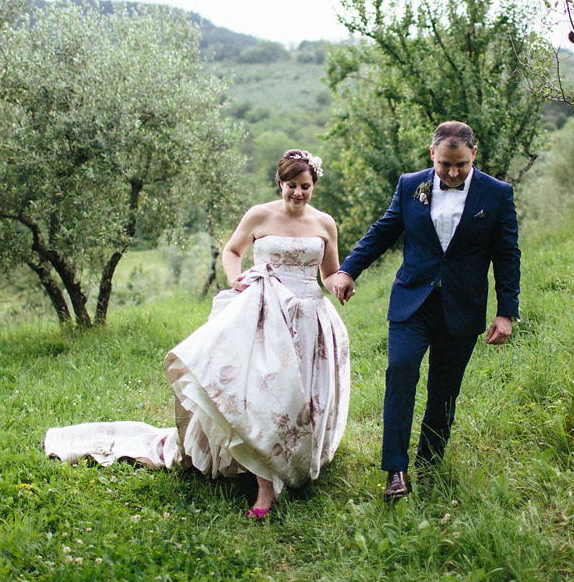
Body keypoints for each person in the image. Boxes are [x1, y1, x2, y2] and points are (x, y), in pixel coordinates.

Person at [44, 150, 350, 519]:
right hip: (265, 312)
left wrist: (339, 286)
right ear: (279, 183)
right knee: (259, 394)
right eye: (291, 186)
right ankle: (264, 488)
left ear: (314, 185)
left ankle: (296, 459)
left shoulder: (325, 224)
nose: (298, 194)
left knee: (300, 393)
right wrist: (235, 276)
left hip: (308, 320)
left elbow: (330, 272)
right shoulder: (260, 215)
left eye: (305, 187)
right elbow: (233, 249)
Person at [327, 121, 519, 502]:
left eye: (460, 164)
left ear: (473, 155)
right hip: (412, 302)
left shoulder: (497, 194)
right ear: (433, 154)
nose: (451, 172)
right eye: (445, 163)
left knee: (444, 390)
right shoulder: (410, 185)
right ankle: (395, 471)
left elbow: (507, 253)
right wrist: (348, 269)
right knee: (400, 373)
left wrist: (506, 312)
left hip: (462, 307)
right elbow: (383, 230)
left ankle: (430, 463)